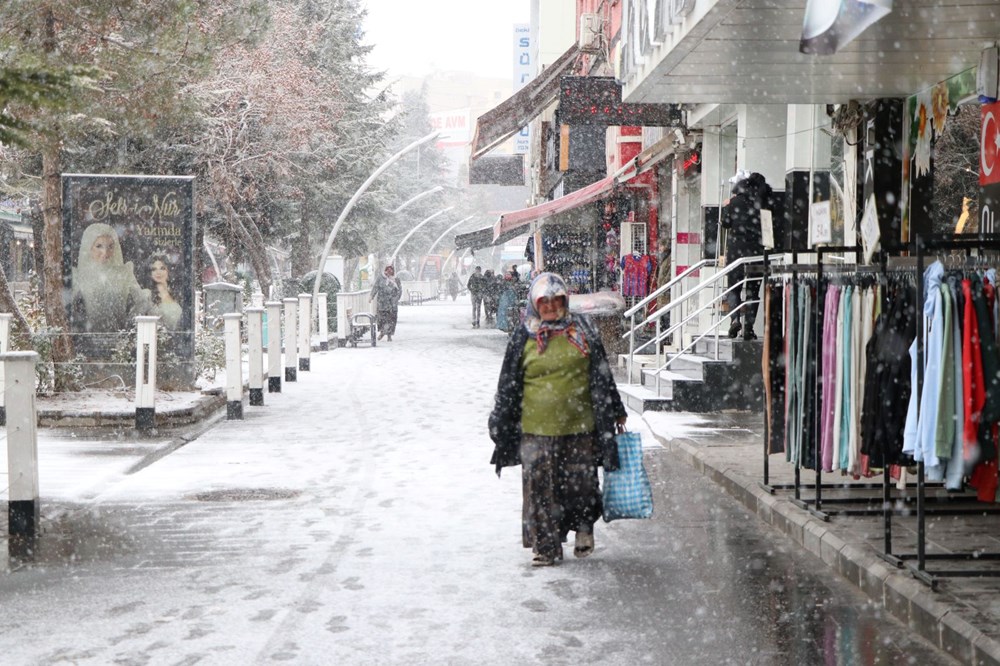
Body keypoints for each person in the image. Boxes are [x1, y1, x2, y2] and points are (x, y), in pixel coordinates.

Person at [488, 272, 628, 567]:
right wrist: (500, 418)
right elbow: (509, 382)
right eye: (544, 301)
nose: (551, 306)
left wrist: (615, 408)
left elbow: (601, 372)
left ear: (565, 300)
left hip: (581, 427)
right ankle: (546, 547)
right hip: (535, 429)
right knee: (541, 489)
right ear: (534, 303)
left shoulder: (583, 329)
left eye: (556, 300)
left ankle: (583, 526)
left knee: (582, 485)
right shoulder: (524, 335)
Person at [69, 222, 151, 349]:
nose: (105, 252)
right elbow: (66, 307)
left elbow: (142, 301)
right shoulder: (79, 276)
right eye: (99, 246)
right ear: (88, 247)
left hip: (119, 344)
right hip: (89, 344)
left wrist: (129, 325)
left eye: (110, 246)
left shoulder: (124, 273)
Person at [720, 170, 772, 340]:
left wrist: (727, 207)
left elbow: (726, 224)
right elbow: (767, 229)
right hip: (756, 252)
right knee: (753, 291)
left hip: (737, 251)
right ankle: (749, 328)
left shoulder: (735, 202)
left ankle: (735, 319)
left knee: (734, 288)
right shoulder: (763, 203)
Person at [143, 254, 183, 329]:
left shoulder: (177, 293)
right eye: (154, 269)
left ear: (168, 271)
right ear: (150, 274)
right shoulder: (147, 294)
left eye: (162, 268)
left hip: (179, 338)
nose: (158, 272)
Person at [369, 265, 402, 341]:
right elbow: (375, 287)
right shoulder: (380, 278)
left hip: (392, 305)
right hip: (382, 304)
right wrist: (371, 296)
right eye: (388, 270)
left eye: (391, 271)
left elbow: (399, 291)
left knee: (391, 320)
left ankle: (389, 335)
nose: (389, 272)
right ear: (385, 271)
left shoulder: (396, 280)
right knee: (381, 319)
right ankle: (382, 332)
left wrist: (395, 300)